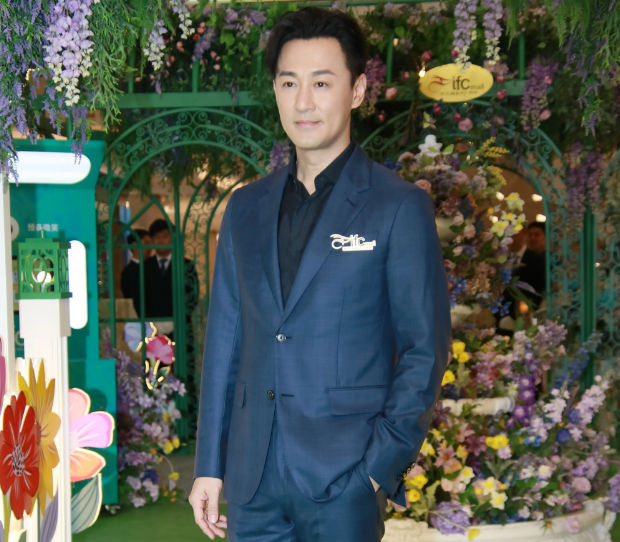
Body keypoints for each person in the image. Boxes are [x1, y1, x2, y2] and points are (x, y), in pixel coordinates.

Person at [190, 7, 451, 542]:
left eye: (322, 83)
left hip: (345, 477)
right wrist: (209, 465)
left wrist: (377, 470)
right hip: (251, 481)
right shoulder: (244, 208)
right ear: (275, 91)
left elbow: (425, 349)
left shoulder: (397, 206)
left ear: (357, 91)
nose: (303, 101)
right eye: (289, 83)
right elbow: (225, 341)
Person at [144, 219, 199, 339]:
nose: (160, 241)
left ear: (172, 238)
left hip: (181, 328)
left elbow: (193, 295)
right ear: (152, 240)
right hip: (151, 330)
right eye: (156, 237)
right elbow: (140, 297)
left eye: (165, 236)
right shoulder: (144, 266)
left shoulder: (186, 265)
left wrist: (180, 317)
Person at [120, 228, 151, 316]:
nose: (150, 247)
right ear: (135, 245)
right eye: (147, 243)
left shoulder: (150, 267)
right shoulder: (129, 271)